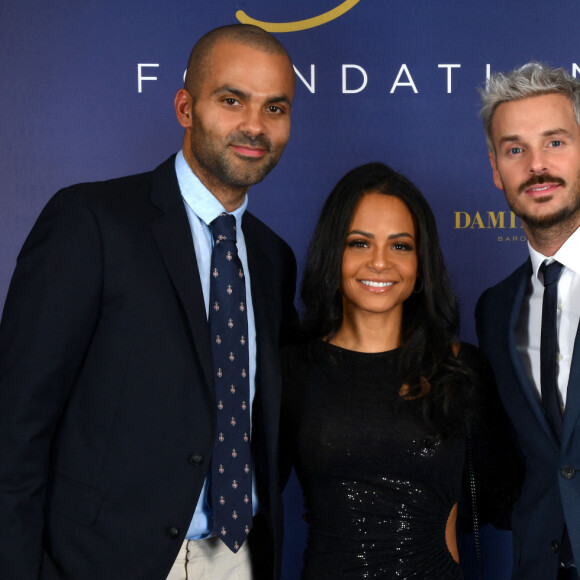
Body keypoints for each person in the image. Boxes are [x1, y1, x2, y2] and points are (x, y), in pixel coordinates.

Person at [0, 24, 297, 580]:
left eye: (275, 108)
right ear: (186, 107)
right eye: (231, 100)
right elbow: (15, 426)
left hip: (238, 561)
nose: (254, 126)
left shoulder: (272, 257)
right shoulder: (90, 222)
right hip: (100, 561)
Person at [281, 162, 518, 578]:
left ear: (421, 263)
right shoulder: (292, 370)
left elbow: (500, 496)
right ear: (332, 253)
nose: (379, 263)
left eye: (400, 245)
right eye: (359, 243)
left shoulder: (461, 369)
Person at [476, 62, 580, 580]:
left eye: (555, 142)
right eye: (515, 149)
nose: (536, 165)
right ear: (497, 170)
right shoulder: (495, 308)